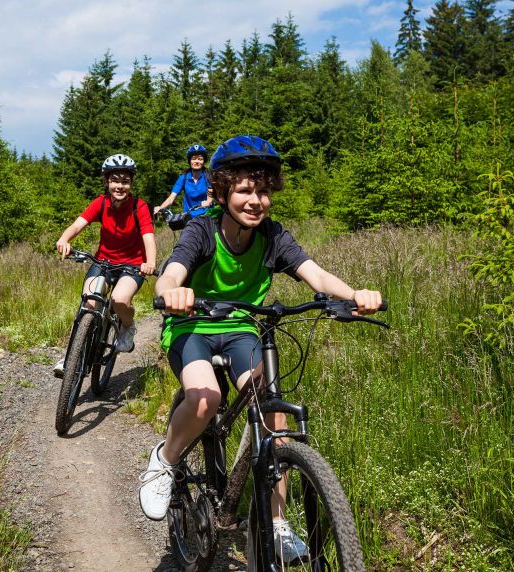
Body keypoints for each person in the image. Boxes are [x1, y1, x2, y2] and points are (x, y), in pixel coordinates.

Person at [139, 135, 382, 565]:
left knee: (274, 411)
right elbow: (172, 271)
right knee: (205, 398)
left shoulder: (272, 236)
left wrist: (354, 294)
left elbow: (315, 275)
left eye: (264, 191)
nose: (256, 201)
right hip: (192, 325)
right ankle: (165, 459)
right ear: (222, 192)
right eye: (245, 190)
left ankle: (277, 523)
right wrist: (172, 291)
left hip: (241, 328)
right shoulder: (203, 229)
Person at [52, 154, 156, 377]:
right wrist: (64, 239)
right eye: (115, 180)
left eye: (125, 181)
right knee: (89, 303)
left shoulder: (139, 206)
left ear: (131, 183)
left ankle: (127, 326)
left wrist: (150, 263)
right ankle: (71, 357)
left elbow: (148, 236)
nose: (120, 186)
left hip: (132, 265)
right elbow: (78, 225)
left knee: (119, 300)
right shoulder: (101, 203)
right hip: (103, 262)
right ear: (107, 181)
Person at [153, 144, 213, 218]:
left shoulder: (208, 176)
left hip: (206, 215)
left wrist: (208, 202)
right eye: (194, 159)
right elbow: (171, 198)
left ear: (204, 161)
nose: (197, 161)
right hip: (189, 217)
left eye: (200, 159)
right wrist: (160, 207)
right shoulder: (183, 178)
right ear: (189, 161)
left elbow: (210, 198)